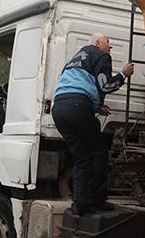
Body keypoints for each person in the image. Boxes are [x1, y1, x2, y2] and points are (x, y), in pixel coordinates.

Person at [52, 32, 134, 215]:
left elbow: (78, 85)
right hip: (77, 107)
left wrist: (96, 107)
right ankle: (97, 199)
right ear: (98, 43)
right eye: (108, 41)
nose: (110, 46)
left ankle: (80, 203)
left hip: (59, 108)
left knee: (81, 157)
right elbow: (106, 86)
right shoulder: (102, 56)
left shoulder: (74, 60)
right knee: (99, 150)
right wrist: (123, 74)